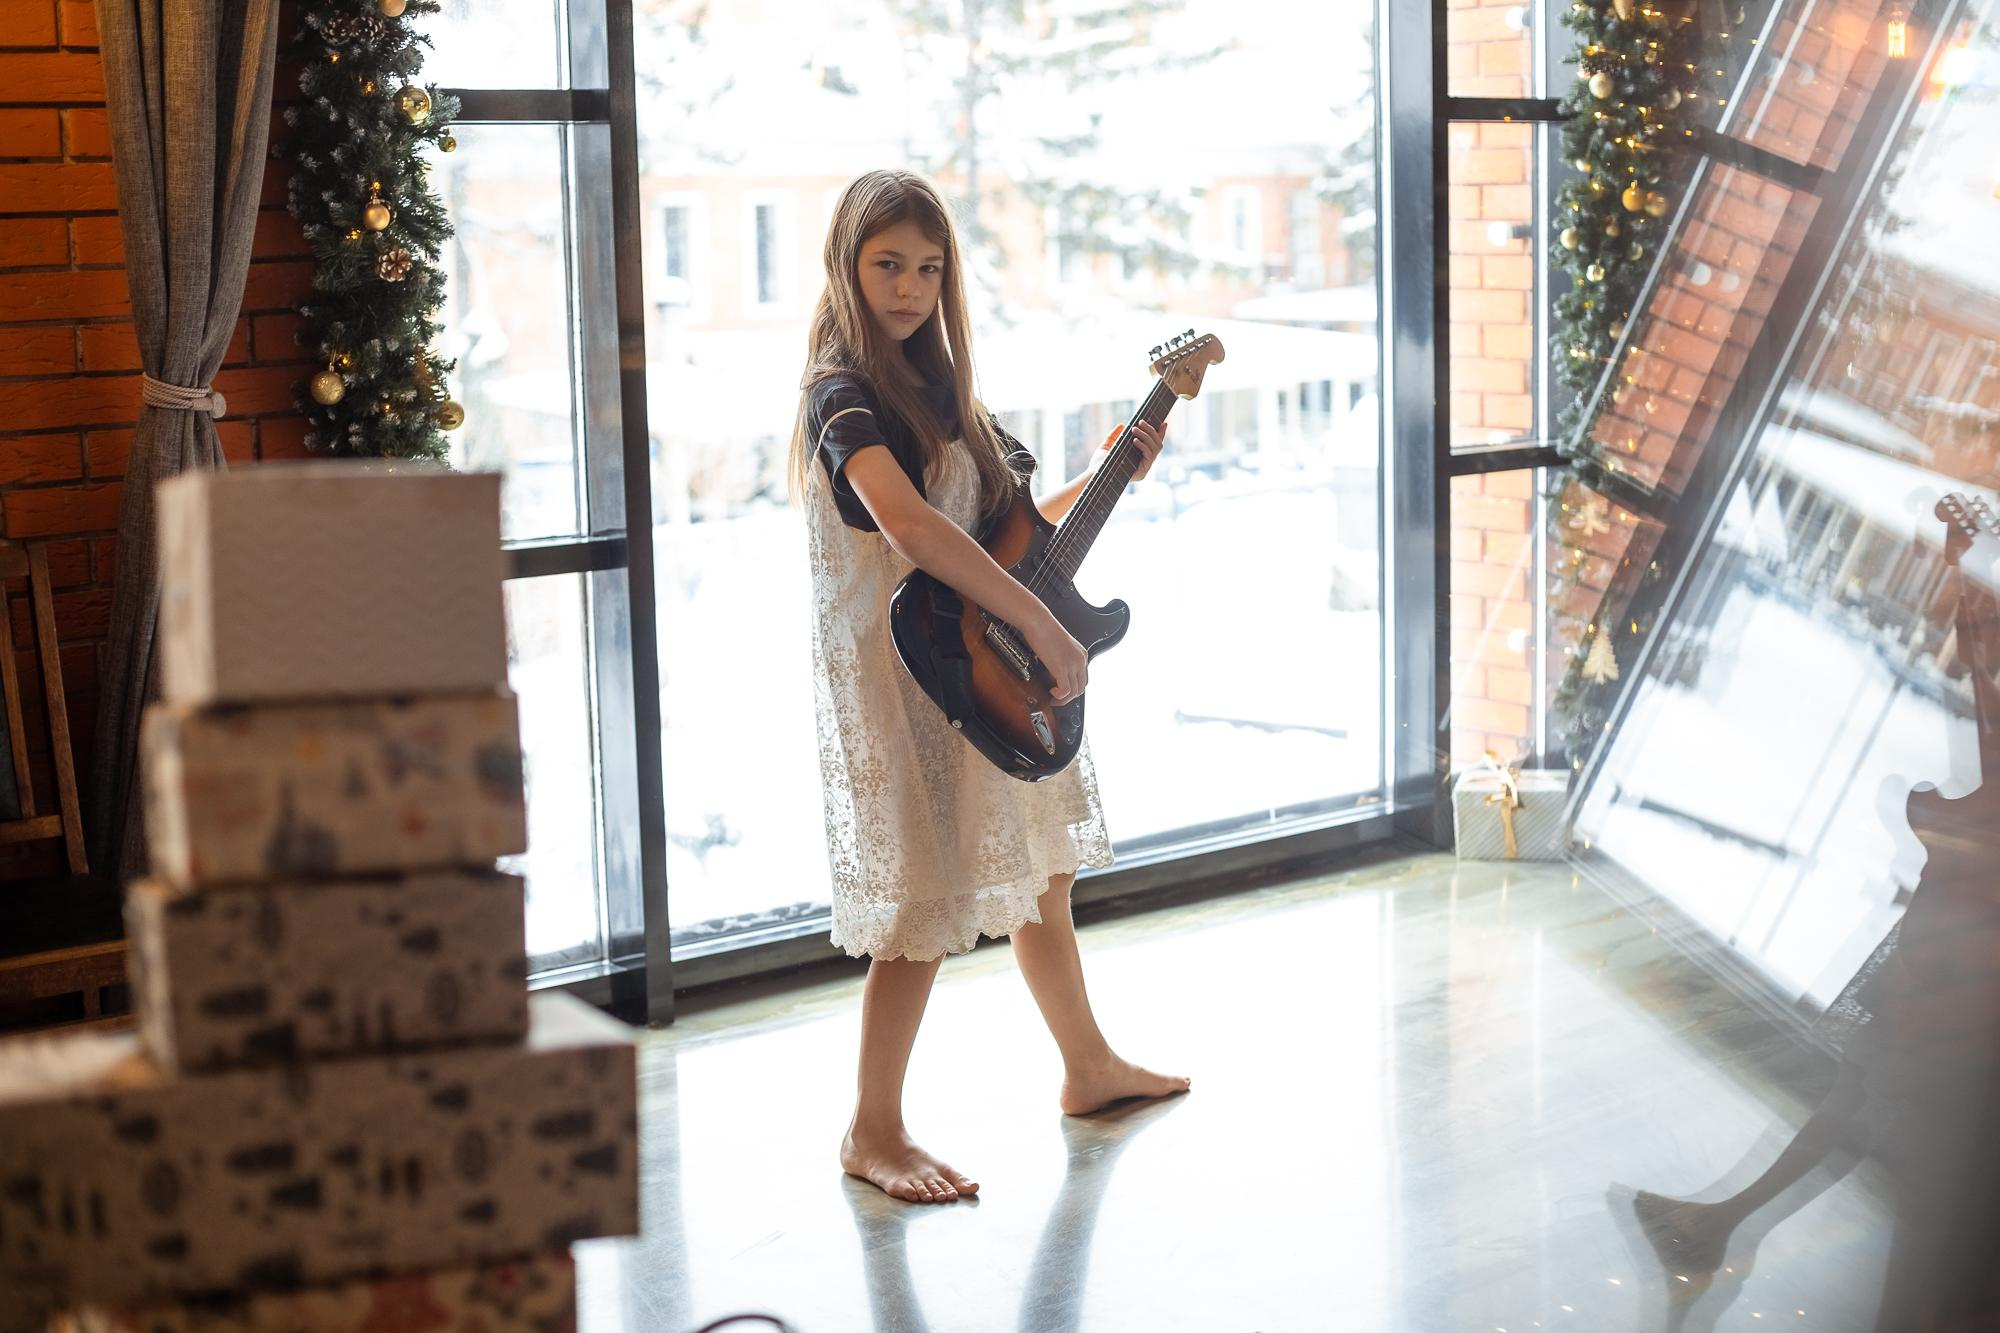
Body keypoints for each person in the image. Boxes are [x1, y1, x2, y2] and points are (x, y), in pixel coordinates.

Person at [788, 168, 1190, 1205]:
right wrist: (1034, 620)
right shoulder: (841, 394)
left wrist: (1113, 468)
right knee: (922, 906)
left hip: (984, 652)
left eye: (927, 267)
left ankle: (1086, 1066)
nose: (910, 287)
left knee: (1041, 867)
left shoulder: (946, 396)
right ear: (846, 265)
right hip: (909, 668)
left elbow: (1009, 532)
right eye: (887, 265)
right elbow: (910, 529)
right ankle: (869, 1128)